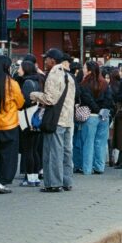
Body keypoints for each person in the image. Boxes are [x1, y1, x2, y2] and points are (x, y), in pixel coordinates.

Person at [29, 49, 75, 193]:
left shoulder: (54, 75)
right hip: (68, 119)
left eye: (47, 59)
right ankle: (67, 181)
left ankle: (53, 184)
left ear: (53, 60)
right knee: (67, 152)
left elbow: (50, 99)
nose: (45, 61)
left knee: (53, 152)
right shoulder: (69, 76)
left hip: (56, 120)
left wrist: (34, 95)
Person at [0, 55, 25, 191]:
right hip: (10, 125)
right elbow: (21, 102)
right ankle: (2, 182)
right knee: (8, 156)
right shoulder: (12, 83)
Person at [75, 61, 113, 174]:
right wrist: (102, 110)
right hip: (104, 117)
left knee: (88, 142)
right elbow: (109, 99)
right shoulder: (105, 84)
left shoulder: (83, 84)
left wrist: (96, 109)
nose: (83, 70)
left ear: (89, 70)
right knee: (101, 142)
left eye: (85, 68)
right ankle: (100, 167)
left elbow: (87, 100)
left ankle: (87, 169)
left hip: (90, 116)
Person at [17, 59, 44, 186]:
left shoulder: (27, 83)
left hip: (28, 119)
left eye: (20, 68)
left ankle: (30, 178)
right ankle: (35, 177)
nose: (18, 70)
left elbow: (25, 102)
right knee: (34, 150)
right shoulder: (38, 81)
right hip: (37, 119)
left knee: (28, 150)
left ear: (26, 69)